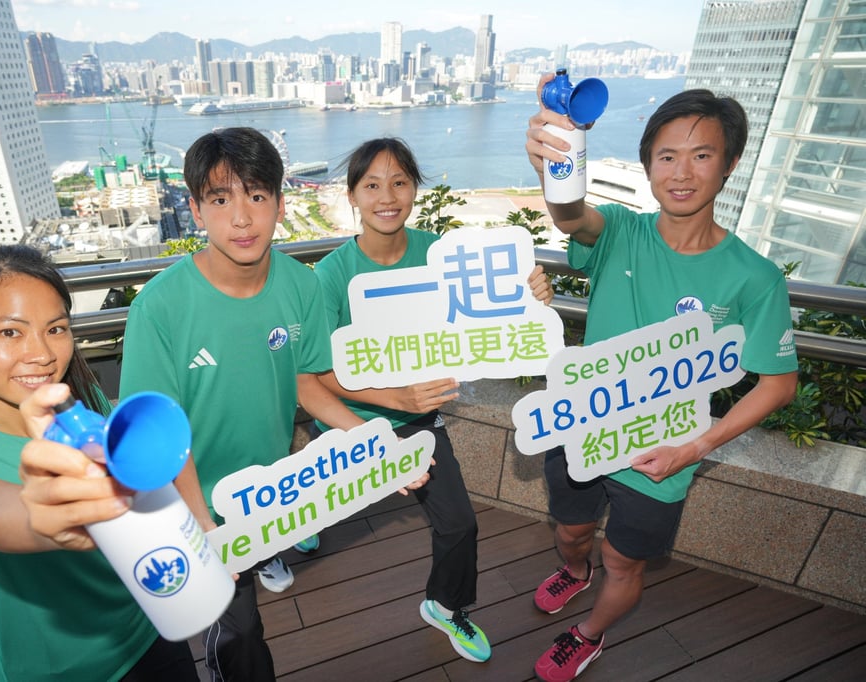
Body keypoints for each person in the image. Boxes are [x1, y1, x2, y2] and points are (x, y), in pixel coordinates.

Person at [524, 82, 799, 681]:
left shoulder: (755, 277)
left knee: (625, 563)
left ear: (728, 166)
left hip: (664, 455)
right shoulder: (621, 230)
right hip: (579, 428)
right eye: (666, 155)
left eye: (702, 155)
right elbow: (572, 214)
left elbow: (778, 384)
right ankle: (574, 572)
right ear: (648, 166)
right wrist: (556, 161)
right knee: (571, 534)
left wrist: (694, 449)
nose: (682, 171)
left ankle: (589, 634)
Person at [116, 126, 380, 681]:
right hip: (195, 506)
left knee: (243, 627)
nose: (241, 218)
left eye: (257, 196)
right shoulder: (160, 308)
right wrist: (204, 529)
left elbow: (306, 382)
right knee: (238, 641)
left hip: (265, 494)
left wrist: (371, 443)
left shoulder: (300, 286)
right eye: (220, 199)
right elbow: (157, 437)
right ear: (195, 209)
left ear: (280, 205)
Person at [0, 245, 199, 681]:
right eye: (10, 333)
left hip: (149, 635)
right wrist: (39, 514)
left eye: (56, 328)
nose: (42, 354)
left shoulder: (86, 409)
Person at [312, 137, 555, 664]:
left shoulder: (438, 255)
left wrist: (532, 294)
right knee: (306, 504)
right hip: (348, 420)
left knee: (460, 523)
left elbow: (497, 312)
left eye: (399, 182)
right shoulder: (330, 275)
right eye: (371, 184)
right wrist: (391, 394)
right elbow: (319, 376)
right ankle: (300, 535)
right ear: (352, 196)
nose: (387, 195)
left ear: (415, 189)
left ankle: (446, 606)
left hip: (419, 420)